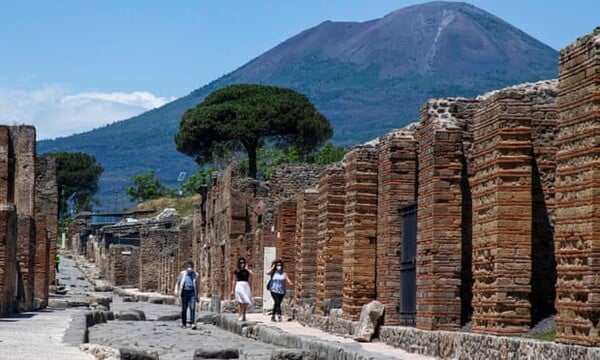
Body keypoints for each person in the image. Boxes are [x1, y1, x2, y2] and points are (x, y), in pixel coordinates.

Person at [174, 261, 199, 329]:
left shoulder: (196, 275)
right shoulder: (182, 274)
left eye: (191, 267)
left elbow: (197, 286)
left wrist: (198, 295)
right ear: (186, 267)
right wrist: (176, 290)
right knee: (184, 309)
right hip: (184, 292)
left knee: (192, 307)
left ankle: (192, 323)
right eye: (188, 267)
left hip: (192, 293)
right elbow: (178, 282)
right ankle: (184, 323)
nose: (189, 268)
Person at [231, 257, 254, 321]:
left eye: (243, 263)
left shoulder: (247, 270)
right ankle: (240, 315)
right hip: (239, 285)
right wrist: (232, 290)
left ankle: (244, 314)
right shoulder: (236, 270)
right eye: (241, 263)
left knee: (246, 301)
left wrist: (247, 269)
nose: (242, 264)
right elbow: (234, 280)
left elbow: (252, 274)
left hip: (245, 285)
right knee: (240, 301)